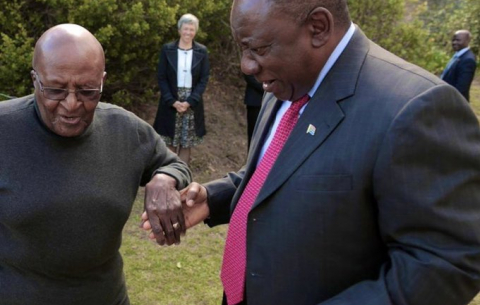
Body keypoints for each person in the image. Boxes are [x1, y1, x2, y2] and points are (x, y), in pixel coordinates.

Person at [144, 0, 480, 304]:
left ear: (317, 28)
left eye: (258, 48)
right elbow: (280, 169)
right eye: (242, 49)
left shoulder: (414, 108)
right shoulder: (284, 82)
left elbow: (446, 262)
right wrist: (215, 198)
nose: (246, 65)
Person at [0, 24, 191, 305]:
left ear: (102, 81)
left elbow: (174, 165)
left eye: (88, 91)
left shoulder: (126, 130)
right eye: (55, 89)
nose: (72, 103)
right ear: (34, 79)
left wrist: (165, 178)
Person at [153, 13, 210, 164]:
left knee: (186, 143)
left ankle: (182, 177)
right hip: (171, 100)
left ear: (195, 32)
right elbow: (162, 77)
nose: (188, 32)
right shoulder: (167, 50)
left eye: (191, 29)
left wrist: (190, 101)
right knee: (170, 142)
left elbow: (204, 79)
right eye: (185, 29)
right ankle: (168, 175)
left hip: (191, 103)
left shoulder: (202, 51)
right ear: (179, 30)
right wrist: (171, 101)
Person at [441, 29, 477, 101]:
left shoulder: (468, 60)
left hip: (455, 102)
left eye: (458, 40)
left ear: (467, 41)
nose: (454, 42)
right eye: (453, 40)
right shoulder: (458, 55)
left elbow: (462, 88)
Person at [243, 73, 263, 150]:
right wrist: (268, 89)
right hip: (255, 102)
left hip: (271, 104)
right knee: (253, 137)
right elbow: (249, 75)